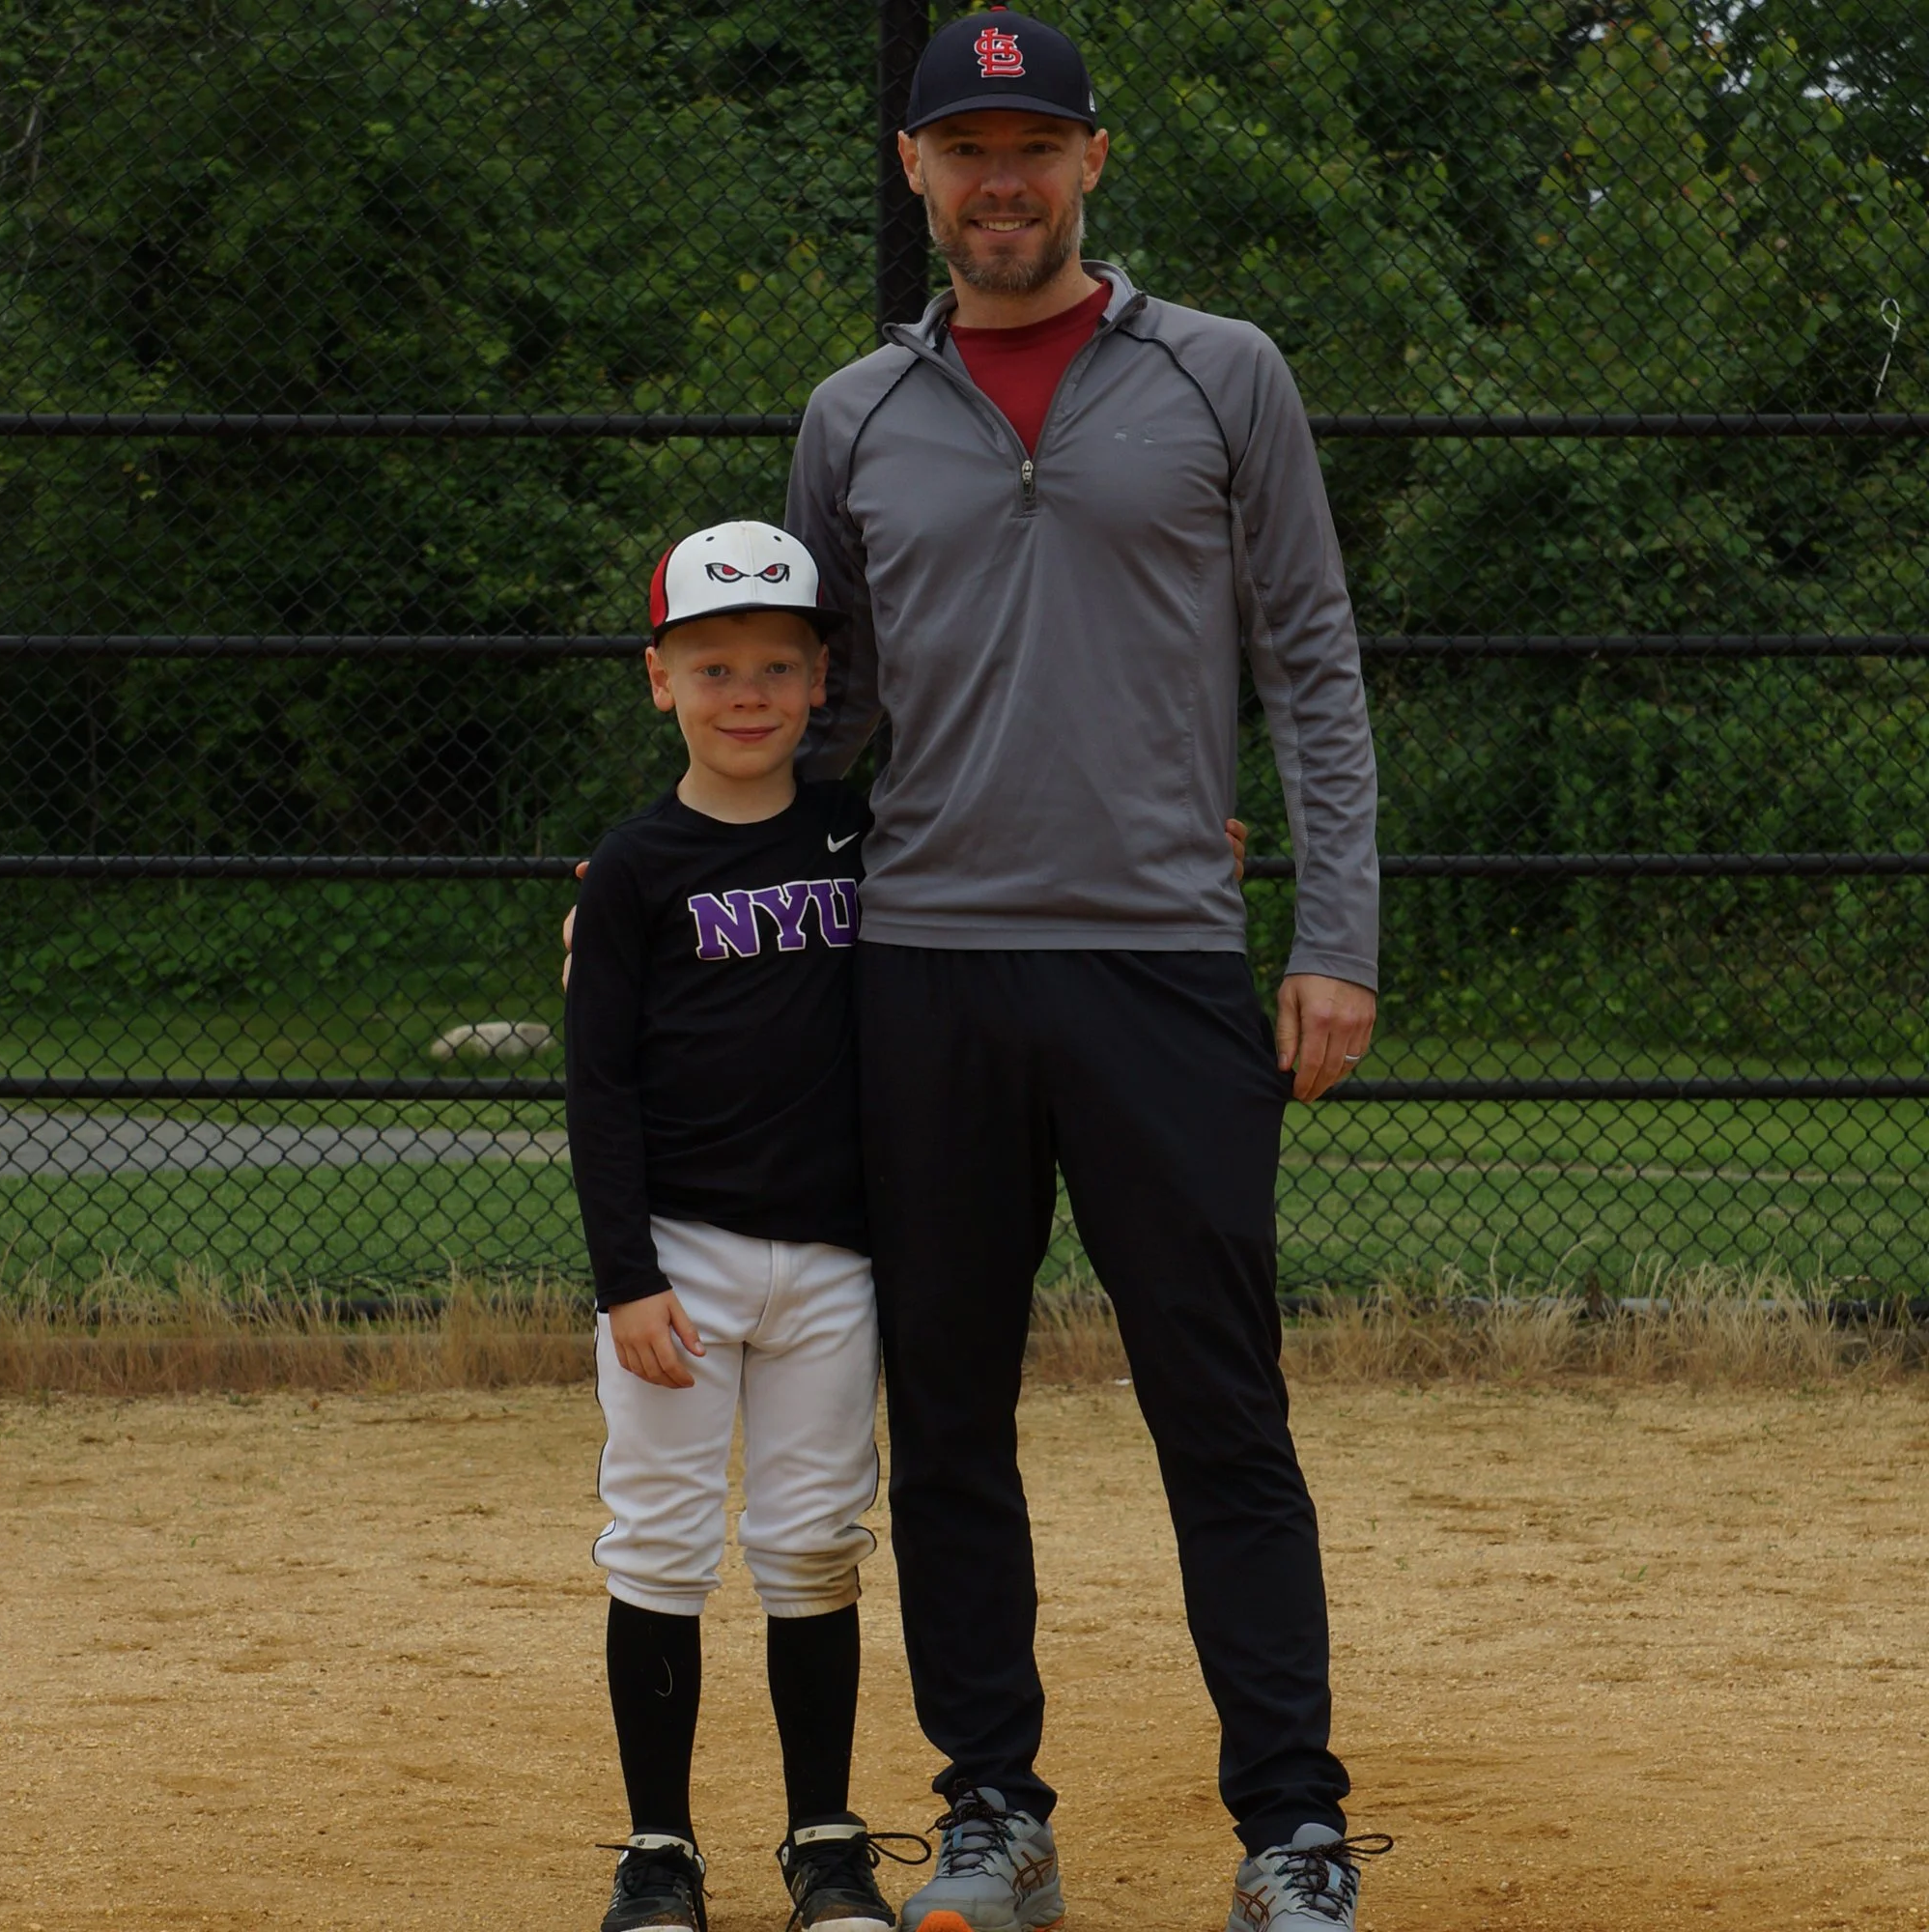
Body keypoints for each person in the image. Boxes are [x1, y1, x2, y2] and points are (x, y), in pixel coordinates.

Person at [781, 12, 1388, 1932]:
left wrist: (1336, 937)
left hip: (1159, 967)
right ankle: (992, 1813)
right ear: (915, 173)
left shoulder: (1223, 374)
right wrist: (669, 874)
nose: (1003, 180)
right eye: (967, 149)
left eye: (1035, 144)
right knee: (947, 1416)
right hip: (926, 972)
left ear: (1093, 163)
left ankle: (1291, 1827)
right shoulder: (851, 417)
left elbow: (1310, 660)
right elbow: (813, 712)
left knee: (1220, 1410)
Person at [564, 518, 924, 1932]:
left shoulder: (867, 829)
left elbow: (1014, 850)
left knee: (816, 1542)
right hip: (684, 1258)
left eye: (780, 663)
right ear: (659, 679)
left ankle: (823, 1842)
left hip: (835, 1258)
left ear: (824, 679)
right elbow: (599, 1090)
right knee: (659, 1541)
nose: (750, 693)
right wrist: (626, 1278)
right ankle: (660, 1851)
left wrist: (1171, 841)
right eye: (713, 667)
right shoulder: (634, 869)